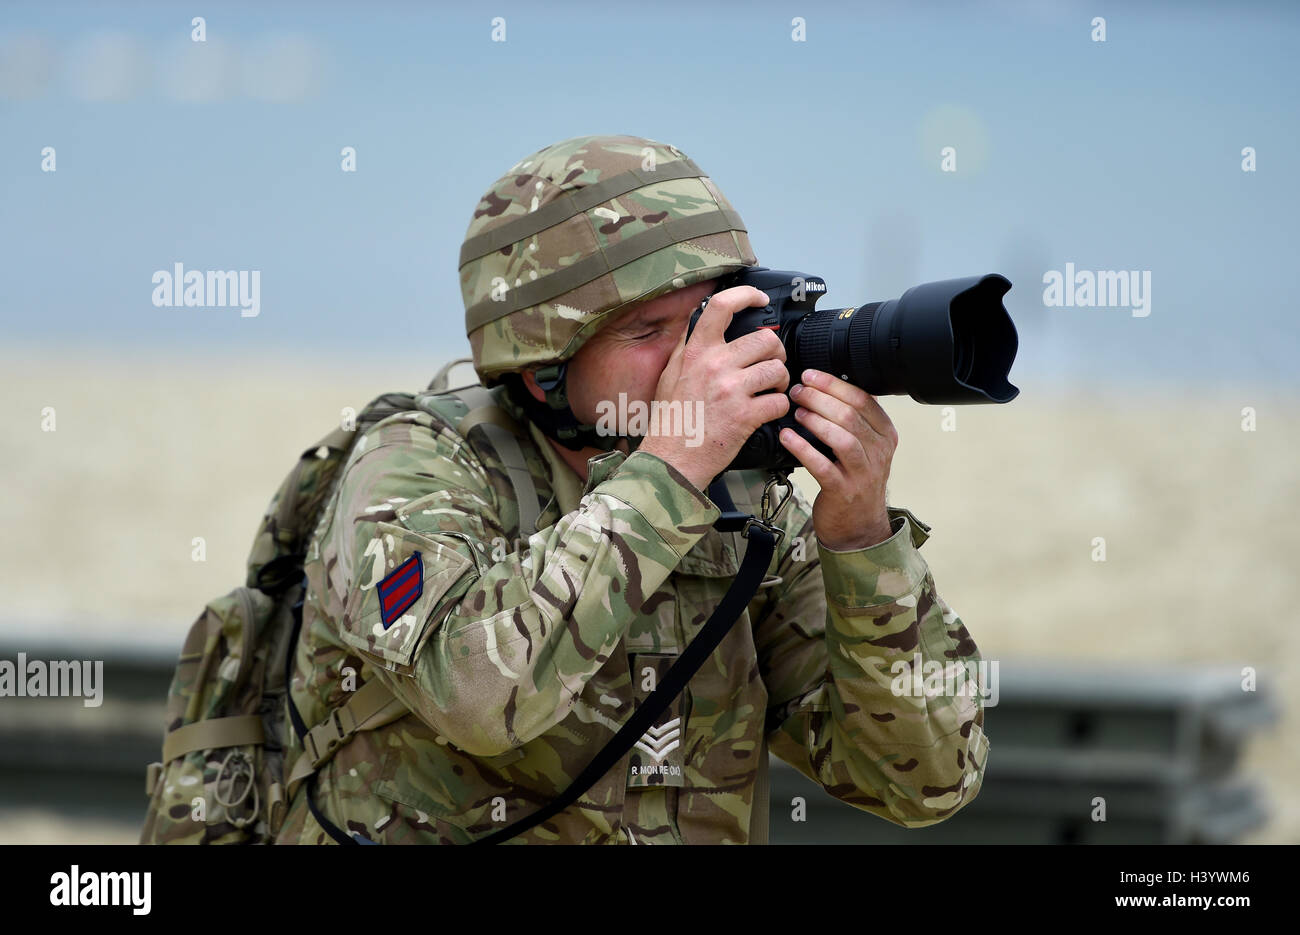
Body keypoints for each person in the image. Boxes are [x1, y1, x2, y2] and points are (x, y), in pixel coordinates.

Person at [273, 134, 989, 845]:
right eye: (647, 329)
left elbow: (924, 781)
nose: (697, 359)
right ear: (541, 367)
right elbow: (476, 697)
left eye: (711, 317)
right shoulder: (414, 466)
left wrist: (861, 541)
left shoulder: (741, 495)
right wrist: (671, 469)